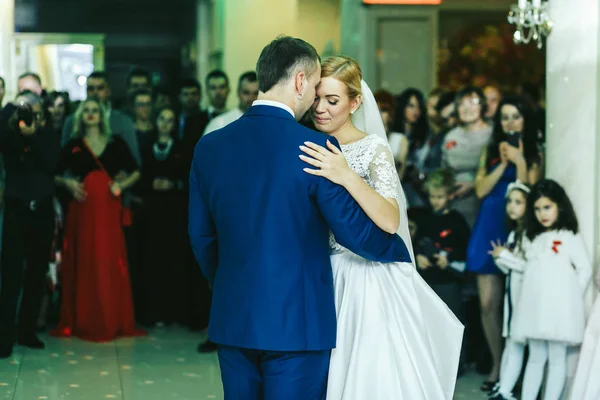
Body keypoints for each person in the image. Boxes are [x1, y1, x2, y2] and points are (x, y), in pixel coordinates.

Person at [188, 36, 412, 400]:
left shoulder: (210, 146)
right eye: (315, 89)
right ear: (299, 82)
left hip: (234, 316)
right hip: (298, 321)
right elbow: (354, 232)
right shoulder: (314, 147)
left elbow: (201, 237)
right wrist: (396, 250)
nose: (317, 104)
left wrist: (233, 283)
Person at [301, 56, 463, 399]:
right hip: (320, 270)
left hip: (363, 274)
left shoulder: (371, 148)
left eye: (333, 100)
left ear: (355, 102)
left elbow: (390, 219)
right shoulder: (305, 142)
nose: (321, 109)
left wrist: (346, 175)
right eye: (317, 98)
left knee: (366, 370)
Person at [51, 98, 145, 342]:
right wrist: (69, 183)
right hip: (81, 212)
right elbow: (55, 174)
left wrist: (120, 186)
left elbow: (136, 171)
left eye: (95, 111)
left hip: (108, 212)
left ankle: (111, 319)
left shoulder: (116, 143)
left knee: (108, 262)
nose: (91, 115)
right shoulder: (73, 145)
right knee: (85, 261)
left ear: (102, 115)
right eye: (86, 111)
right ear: (80, 117)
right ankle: (83, 319)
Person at [468, 94, 543, 391]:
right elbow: (480, 189)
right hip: (488, 226)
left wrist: (520, 160)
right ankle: (497, 364)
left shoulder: (536, 152)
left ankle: (517, 367)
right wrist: (501, 163)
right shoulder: (490, 150)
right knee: (488, 304)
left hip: (516, 228)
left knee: (518, 303)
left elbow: (526, 192)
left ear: (525, 119)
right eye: (505, 117)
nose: (510, 122)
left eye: (516, 116)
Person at [511, 180, 592, 400]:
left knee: (557, 359)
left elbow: (585, 268)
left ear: (560, 206)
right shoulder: (533, 238)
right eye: (537, 209)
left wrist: (571, 298)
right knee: (536, 357)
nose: (542, 214)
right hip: (535, 308)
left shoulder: (569, 236)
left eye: (547, 207)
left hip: (559, 310)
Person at [0, 91, 60, 358]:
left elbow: (50, 164)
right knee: (11, 276)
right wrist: (14, 122)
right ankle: (4, 336)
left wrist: (33, 135)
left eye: (35, 112)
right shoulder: (8, 133)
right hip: (16, 211)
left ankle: (27, 331)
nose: (29, 117)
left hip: (42, 211)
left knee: (36, 273)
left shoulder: (47, 136)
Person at [412, 168, 470, 375]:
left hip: (448, 281)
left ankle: (455, 366)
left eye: (440, 197)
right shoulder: (423, 218)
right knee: (427, 324)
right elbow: (415, 242)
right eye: (432, 197)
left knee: (451, 324)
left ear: (450, 195)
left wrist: (450, 260)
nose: (435, 201)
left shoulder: (457, 220)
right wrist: (418, 256)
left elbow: (465, 250)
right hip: (426, 280)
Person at [139, 106, 189, 327]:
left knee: (174, 262)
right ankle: (153, 312)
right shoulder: (145, 147)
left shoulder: (182, 148)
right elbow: (138, 176)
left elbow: (189, 178)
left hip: (175, 213)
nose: (165, 124)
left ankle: (174, 312)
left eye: (170, 120)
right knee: (152, 261)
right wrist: (150, 184)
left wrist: (173, 184)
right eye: (162, 119)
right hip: (151, 214)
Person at [487, 181, 532, 400]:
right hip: (512, 295)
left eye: (518, 202)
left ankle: (506, 390)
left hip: (525, 297)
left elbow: (528, 267)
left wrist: (504, 256)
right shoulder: (515, 233)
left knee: (516, 343)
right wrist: (500, 257)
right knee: (511, 342)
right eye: (510, 202)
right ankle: (503, 387)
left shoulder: (530, 235)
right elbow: (512, 267)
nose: (512, 207)